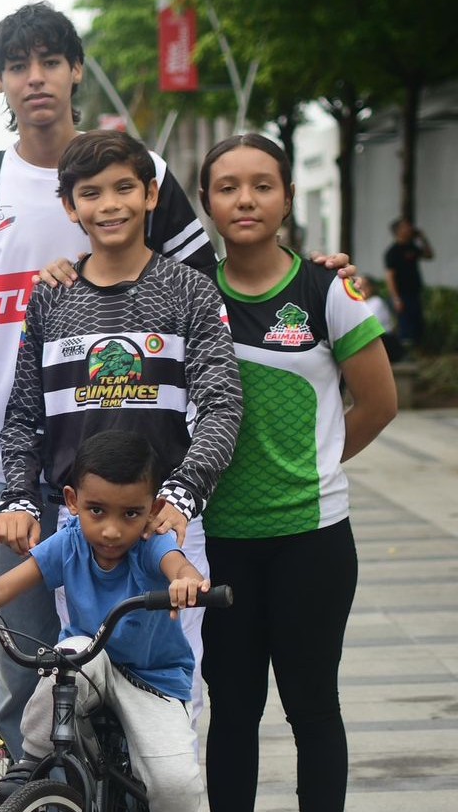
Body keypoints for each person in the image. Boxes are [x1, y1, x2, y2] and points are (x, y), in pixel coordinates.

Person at [0, 3, 216, 756]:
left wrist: (309, 283)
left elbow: (210, 286)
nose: (36, 78)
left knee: (144, 664)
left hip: (142, 471)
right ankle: (44, 796)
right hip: (27, 476)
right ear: (0, 80)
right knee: (26, 666)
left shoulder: (138, 166)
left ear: (75, 69)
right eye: (18, 66)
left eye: (50, 61)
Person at [0, 130, 242, 741]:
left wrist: (182, 498)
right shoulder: (51, 298)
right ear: (70, 207)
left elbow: (222, 406)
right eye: (91, 193)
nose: (109, 204)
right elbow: (24, 413)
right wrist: (22, 499)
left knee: (169, 711)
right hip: (79, 531)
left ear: (152, 193)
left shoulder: (189, 291)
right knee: (77, 700)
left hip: (165, 527)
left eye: (124, 188)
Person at [197, 134, 397, 811]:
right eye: (227, 186)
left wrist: (318, 465)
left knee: (313, 709)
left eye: (262, 184)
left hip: (312, 540)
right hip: (219, 540)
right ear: (206, 202)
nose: (245, 199)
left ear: (286, 197)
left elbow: (379, 402)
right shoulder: (192, 296)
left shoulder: (329, 287)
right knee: (232, 711)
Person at [0, 430, 210, 812]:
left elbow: (178, 565)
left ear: (153, 511)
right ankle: (33, 760)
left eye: (130, 514)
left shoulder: (150, 543)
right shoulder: (70, 542)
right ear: (73, 502)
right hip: (87, 664)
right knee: (71, 652)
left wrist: (186, 581)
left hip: (152, 679)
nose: (111, 529)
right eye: (97, 510)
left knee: (176, 786)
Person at [384, 217, 434, 347]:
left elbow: (429, 255)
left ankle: (417, 351)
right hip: (402, 294)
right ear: (398, 231)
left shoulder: (412, 247)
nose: (409, 228)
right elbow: (390, 276)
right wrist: (396, 298)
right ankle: (406, 353)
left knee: (417, 324)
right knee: (405, 326)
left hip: (414, 292)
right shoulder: (392, 252)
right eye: (406, 226)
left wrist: (422, 238)